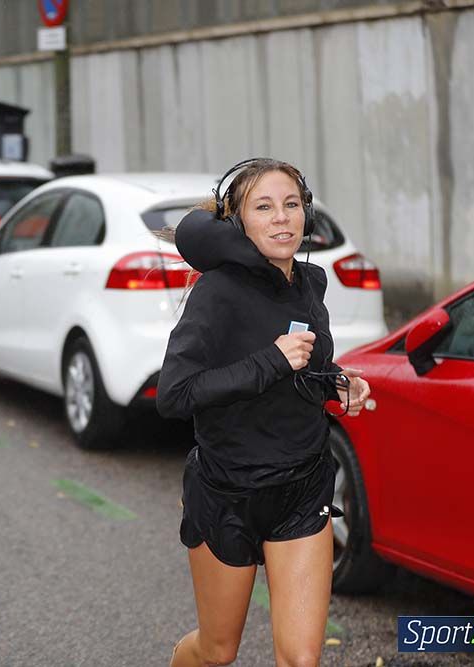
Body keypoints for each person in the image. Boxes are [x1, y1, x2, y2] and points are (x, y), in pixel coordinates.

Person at [157, 158, 371, 667]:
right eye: (264, 207)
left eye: (291, 204)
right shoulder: (218, 292)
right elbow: (174, 394)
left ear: (306, 214)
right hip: (228, 492)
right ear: (238, 221)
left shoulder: (309, 284)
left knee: (301, 659)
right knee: (216, 652)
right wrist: (270, 360)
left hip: (302, 487)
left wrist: (339, 384)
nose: (281, 218)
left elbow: (308, 367)